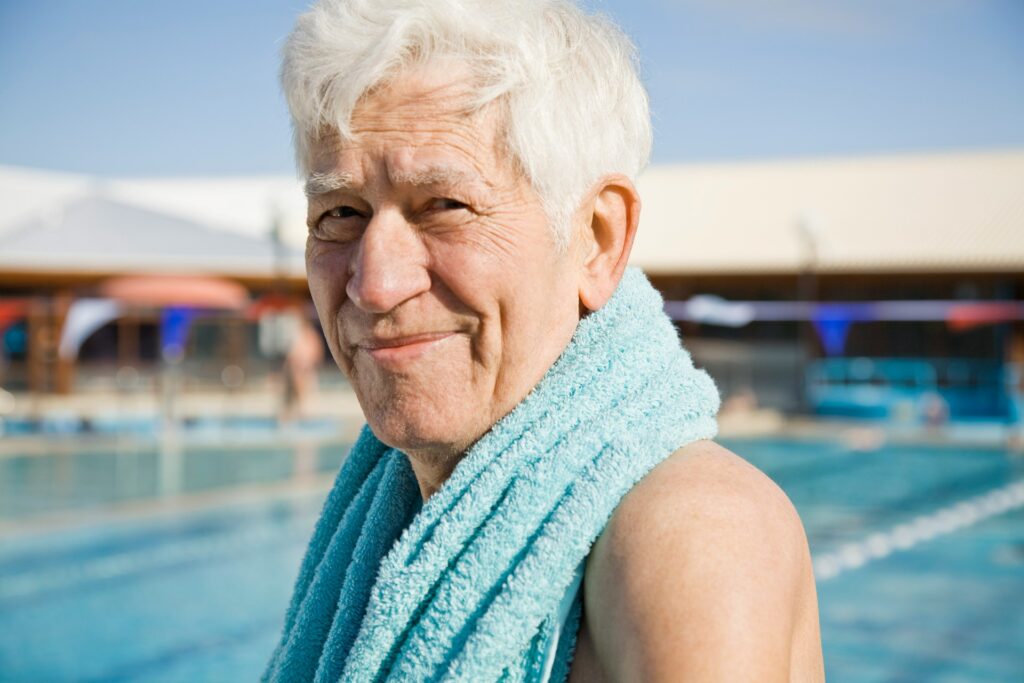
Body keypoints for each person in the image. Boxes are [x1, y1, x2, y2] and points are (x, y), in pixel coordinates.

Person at [264, 1, 824, 681]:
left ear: (597, 240)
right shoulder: (398, 510)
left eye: (444, 205)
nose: (375, 284)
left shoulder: (696, 535)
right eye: (340, 213)